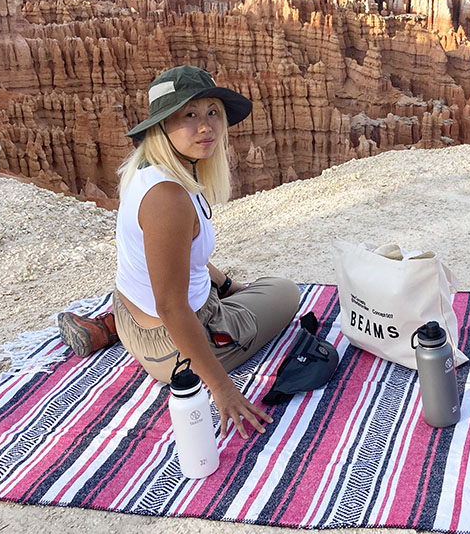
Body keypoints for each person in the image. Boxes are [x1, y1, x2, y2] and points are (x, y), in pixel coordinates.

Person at [58, 65, 300, 440]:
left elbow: (188, 259)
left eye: (212, 113)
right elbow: (172, 305)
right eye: (189, 115)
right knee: (284, 291)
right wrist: (222, 389)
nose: (206, 126)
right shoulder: (169, 197)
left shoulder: (146, 169)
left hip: (129, 313)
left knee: (238, 290)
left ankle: (109, 328)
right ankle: (169, 342)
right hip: (172, 346)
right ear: (162, 125)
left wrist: (229, 284)